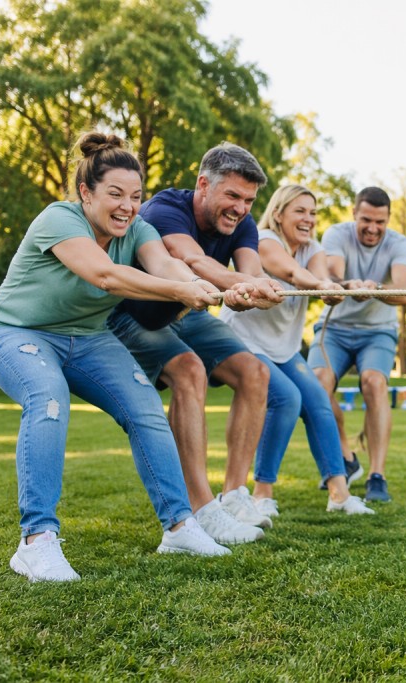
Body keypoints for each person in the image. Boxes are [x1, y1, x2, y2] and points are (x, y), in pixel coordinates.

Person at [0, 132, 230, 582]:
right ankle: (35, 542)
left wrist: (218, 287)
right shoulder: (59, 219)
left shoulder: (139, 229)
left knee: (146, 411)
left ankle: (180, 526)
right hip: (14, 332)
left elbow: (165, 266)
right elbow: (104, 276)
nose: (128, 206)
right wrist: (182, 289)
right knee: (48, 399)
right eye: (115, 194)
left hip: (88, 338)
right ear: (86, 192)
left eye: (136, 196)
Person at [107, 142, 285, 544]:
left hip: (187, 312)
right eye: (233, 196)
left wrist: (255, 289)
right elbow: (192, 261)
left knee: (254, 372)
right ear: (203, 184)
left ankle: (234, 495)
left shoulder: (243, 223)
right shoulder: (165, 209)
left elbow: (250, 270)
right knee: (188, 371)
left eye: (249, 200)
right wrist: (242, 283)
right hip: (134, 313)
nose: (241, 208)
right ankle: (202, 509)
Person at [220, 184, 374, 516]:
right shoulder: (263, 240)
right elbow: (290, 272)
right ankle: (263, 494)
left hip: (283, 347)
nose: (309, 219)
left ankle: (339, 494)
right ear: (278, 214)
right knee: (287, 398)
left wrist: (340, 288)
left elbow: (320, 277)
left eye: (313, 213)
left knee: (318, 400)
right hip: (245, 340)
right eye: (300, 211)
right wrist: (322, 285)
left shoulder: (312, 248)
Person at [307, 187, 406, 503]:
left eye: (379, 221)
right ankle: (346, 456)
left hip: (377, 331)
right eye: (366, 219)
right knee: (317, 384)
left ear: (388, 219)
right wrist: (349, 284)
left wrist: (376, 288)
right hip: (335, 327)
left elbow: (405, 292)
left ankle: (376, 475)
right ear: (354, 214)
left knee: (374, 383)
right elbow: (332, 275)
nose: (372, 228)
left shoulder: (399, 244)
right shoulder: (337, 235)